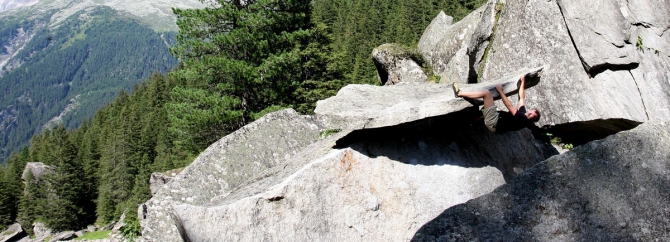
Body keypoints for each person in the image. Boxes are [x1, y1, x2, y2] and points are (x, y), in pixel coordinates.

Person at [452, 75, 540, 134]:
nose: (530, 113)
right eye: (531, 112)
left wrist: (500, 91)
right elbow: (521, 98)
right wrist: (523, 81)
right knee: (486, 109)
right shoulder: (523, 114)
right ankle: (470, 123)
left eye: (532, 115)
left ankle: (459, 93)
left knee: (487, 93)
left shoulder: (523, 119)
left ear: (532, 119)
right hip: (497, 123)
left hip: (494, 123)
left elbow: (509, 106)